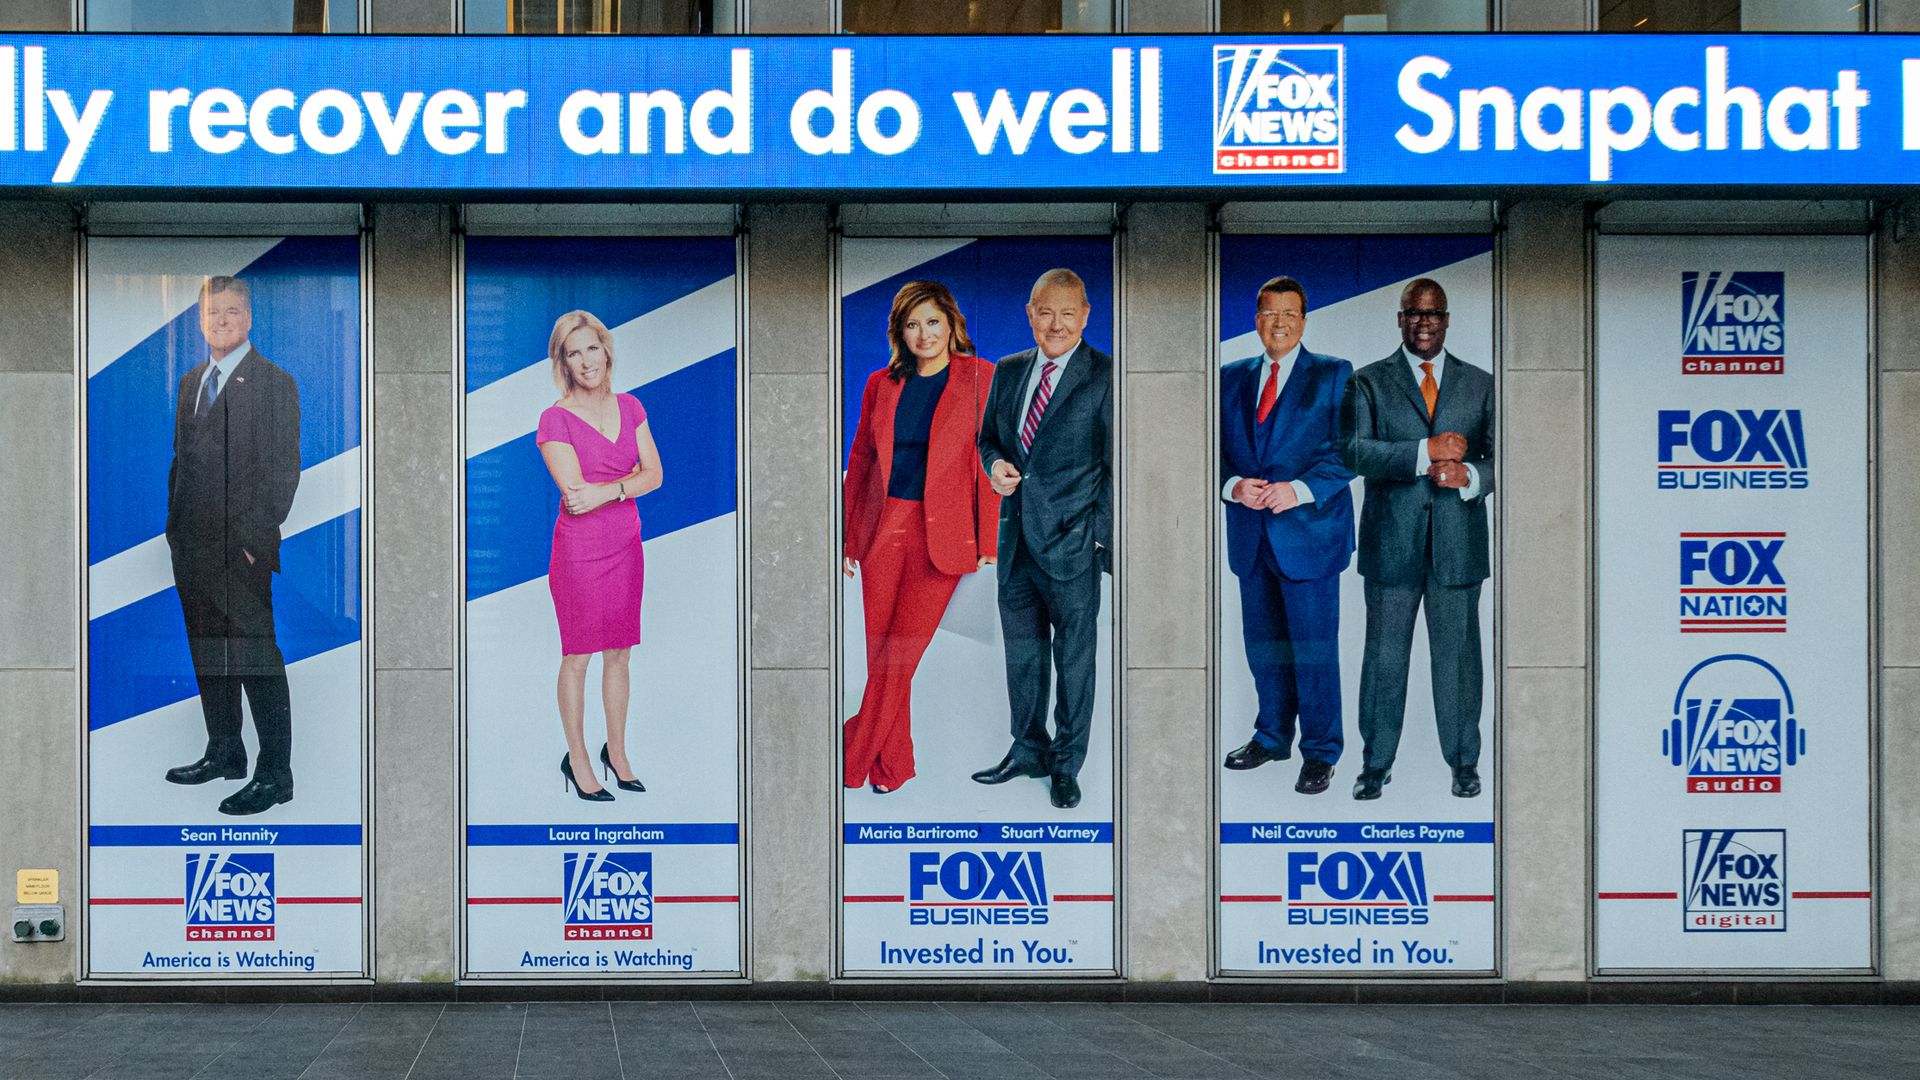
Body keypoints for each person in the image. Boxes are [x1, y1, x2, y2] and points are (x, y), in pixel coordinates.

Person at [1340, 277, 1495, 801]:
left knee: (1458, 661)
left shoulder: (1481, 384)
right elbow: (1353, 453)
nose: (1423, 322)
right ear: (1400, 318)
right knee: (1384, 661)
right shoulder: (1367, 382)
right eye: (1413, 313)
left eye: (1433, 314)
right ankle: (1374, 765)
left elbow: (1501, 457)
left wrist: (1471, 477)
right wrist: (1424, 452)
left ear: (1447, 320)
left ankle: (1464, 765)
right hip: (1391, 545)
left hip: (1458, 546)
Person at [842, 281, 999, 794]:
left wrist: (989, 541)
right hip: (882, 526)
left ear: (952, 324)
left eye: (933, 322)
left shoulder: (981, 378)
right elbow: (862, 458)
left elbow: (987, 461)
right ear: (900, 333)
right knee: (880, 650)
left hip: (946, 536)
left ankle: (851, 754)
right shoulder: (881, 384)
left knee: (900, 654)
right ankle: (896, 765)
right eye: (913, 324)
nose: (924, 333)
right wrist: (847, 537)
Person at [162, 276, 304, 816]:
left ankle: (276, 774)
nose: (220, 321)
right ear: (200, 322)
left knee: (256, 658)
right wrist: (174, 530)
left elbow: (282, 470)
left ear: (248, 319)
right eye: (211, 313)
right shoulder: (190, 380)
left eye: (230, 312)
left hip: (238, 551)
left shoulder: (273, 382)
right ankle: (225, 750)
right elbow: (183, 461)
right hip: (191, 545)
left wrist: (251, 543)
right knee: (209, 653)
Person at [972, 268, 1113, 810]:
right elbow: (986, 439)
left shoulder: (1105, 374)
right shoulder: (1008, 371)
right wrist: (995, 465)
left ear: (1084, 316)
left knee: (1075, 661)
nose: (1056, 323)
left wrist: (1099, 541)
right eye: (1045, 312)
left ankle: (1065, 765)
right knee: (1023, 656)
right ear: (1030, 313)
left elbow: (1116, 466)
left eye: (1067, 313)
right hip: (1016, 544)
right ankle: (1027, 748)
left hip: (1074, 547)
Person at [1219, 276, 1355, 795]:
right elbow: (1210, 452)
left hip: (1310, 538)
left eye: (1289, 314)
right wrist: (1233, 487)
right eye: (1269, 313)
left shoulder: (1334, 374)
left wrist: (1298, 489)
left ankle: (1320, 752)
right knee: (1265, 647)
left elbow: (1351, 450)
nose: (1278, 323)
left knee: (1314, 649)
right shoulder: (1230, 377)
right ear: (1256, 320)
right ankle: (1272, 736)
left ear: (1303, 321)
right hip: (1252, 537)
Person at [535, 310, 664, 802]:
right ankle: (578, 757)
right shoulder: (555, 417)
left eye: (592, 348)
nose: (586, 360)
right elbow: (575, 494)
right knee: (578, 655)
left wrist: (611, 491)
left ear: (606, 351)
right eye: (574, 352)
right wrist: (627, 485)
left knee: (620, 652)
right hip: (580, 552)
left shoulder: (631, 407)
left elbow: (656, 475)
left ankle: (617, 751)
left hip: (626, 544)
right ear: (563, 362)